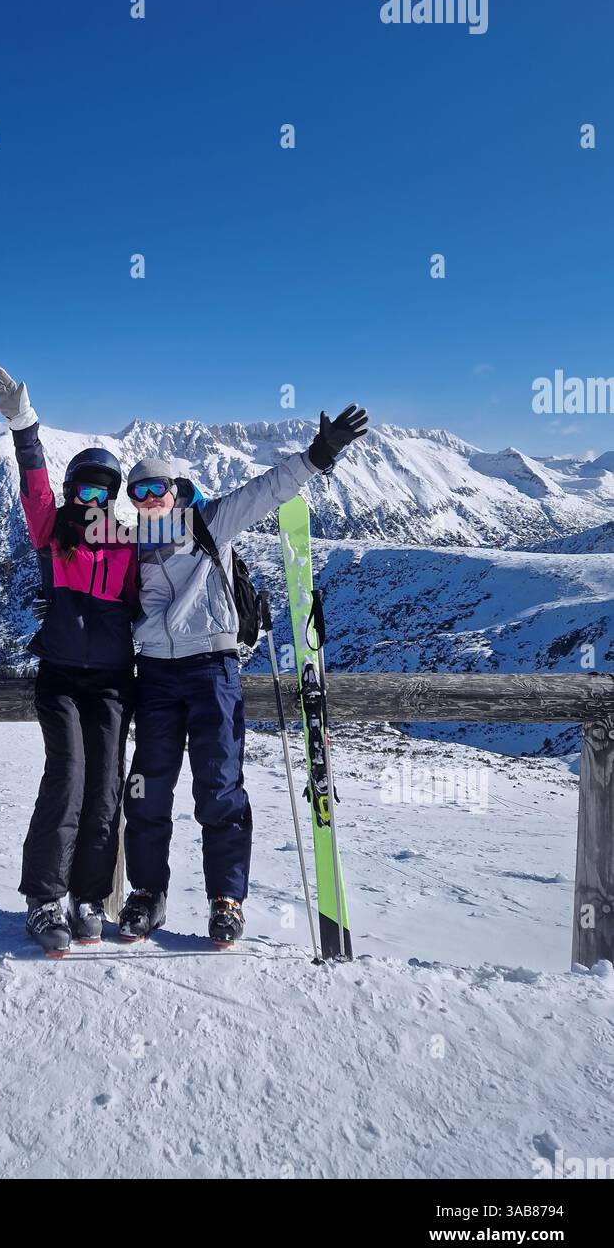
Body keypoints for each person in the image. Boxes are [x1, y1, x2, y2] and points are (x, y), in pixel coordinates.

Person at [119, 405, 369, 946]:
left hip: (212, 667)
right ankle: (146, 895)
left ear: (175, 486)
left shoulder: (209, 521)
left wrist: (318, 456)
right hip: (155, 674)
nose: (149, 500)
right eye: (138, 494)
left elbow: (266, 491)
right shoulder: (129, 543)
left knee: (220, 787)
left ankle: (226, 900)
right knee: (146, 789)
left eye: (157, 488)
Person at [0, 367, 139, 957]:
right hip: (63, 679)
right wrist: (24, 424)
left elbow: (186, 545)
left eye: (102, 491)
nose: (91, 499)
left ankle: (89, 897)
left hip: (114, 683)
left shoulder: (129, 542)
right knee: (68, 776)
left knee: (105, 790)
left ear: (113, 497)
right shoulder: (52, 531)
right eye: (85, 489)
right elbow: (34, 485)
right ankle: (45, 899)